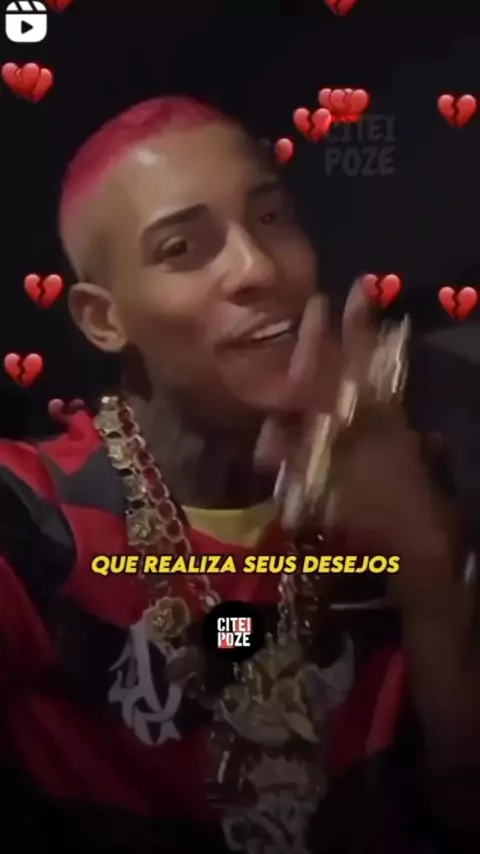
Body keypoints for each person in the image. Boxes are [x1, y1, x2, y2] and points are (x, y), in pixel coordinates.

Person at [0, 96, 478, 854]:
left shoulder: (417, 462)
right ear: (103, 319)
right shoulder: (32, 522)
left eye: (271, 218)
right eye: (183, 248)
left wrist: (423, 562)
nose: (258, 268)